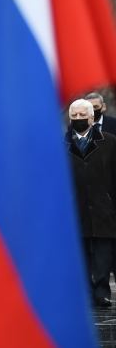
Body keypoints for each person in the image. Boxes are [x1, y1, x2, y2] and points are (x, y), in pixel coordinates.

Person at [67, 98, 116, 307]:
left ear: (91, 117)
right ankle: (86, 292)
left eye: (82, 115)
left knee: (104, 254)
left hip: (104, 207)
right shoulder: (62, 144)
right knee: (82, 253)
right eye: (74, 116)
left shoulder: (110, 142)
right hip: (76, 208)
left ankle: (102, 292)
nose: (78, 119)